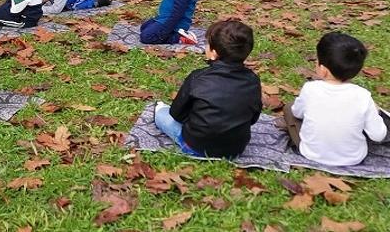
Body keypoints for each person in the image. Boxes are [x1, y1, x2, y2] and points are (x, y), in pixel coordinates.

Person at [153, 20, 262, 158]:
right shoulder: (253, 80)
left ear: (214, 53)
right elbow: (253, 118)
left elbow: (176, 114)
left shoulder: (198, 77)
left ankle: (160, 109)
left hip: (196, 145)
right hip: (236, 149)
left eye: (207, 44)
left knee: (161, 114)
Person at [283, 32, 388, 166]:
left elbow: (297, 113)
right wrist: (376, 112)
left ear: (323, 70)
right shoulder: (363, 96)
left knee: (289, 108)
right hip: (353, 158)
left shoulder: (310, 89)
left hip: (311, 153)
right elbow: (378, 135)